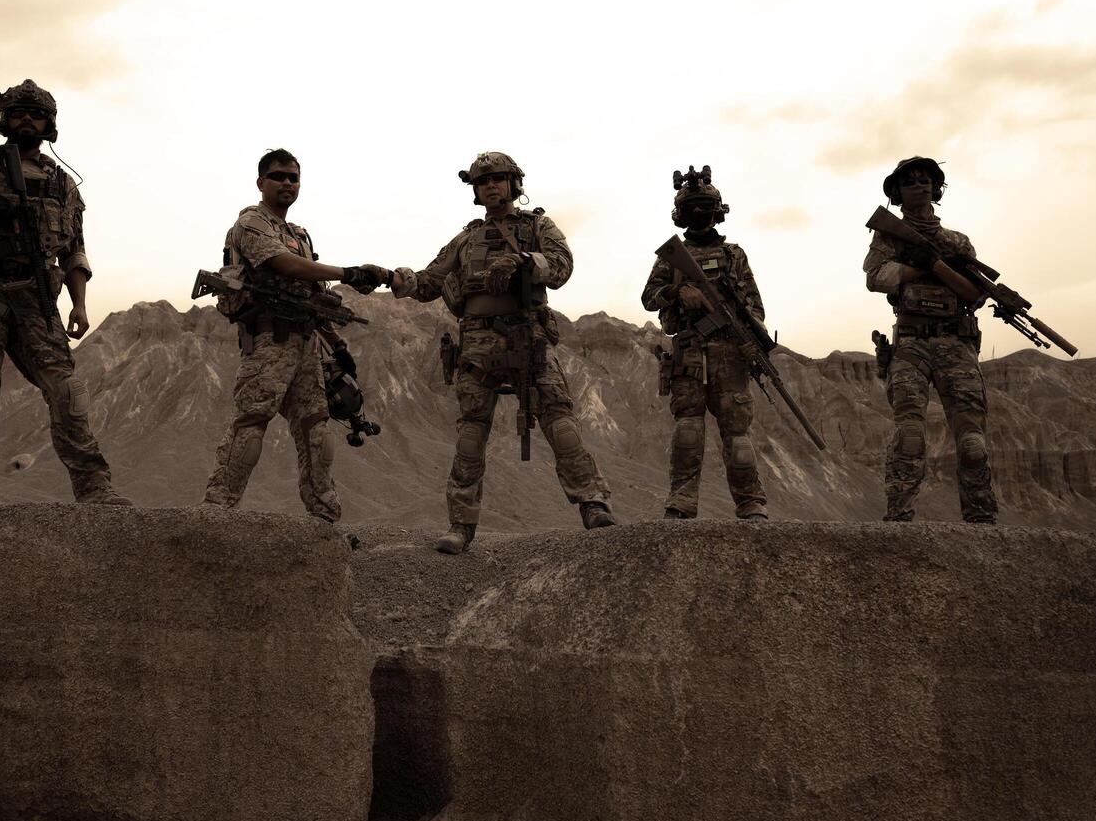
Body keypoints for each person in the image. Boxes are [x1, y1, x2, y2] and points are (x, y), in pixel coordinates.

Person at [0, 79, 131, 508]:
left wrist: (80, 305)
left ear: (50, 123)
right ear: (5, 119)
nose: (27, 119)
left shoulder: (62, 185)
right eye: (19, 112)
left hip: (37, 295)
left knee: (66, 390)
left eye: (36, 113)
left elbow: (74, 251)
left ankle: (94, 487)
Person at [388, 152, 614, 554]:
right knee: (471, 434)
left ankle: (593, 505)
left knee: (561, 423)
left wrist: (524, 260)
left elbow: (562, 266)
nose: (490, 186)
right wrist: (394, 278)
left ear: (513, 184)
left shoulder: (538, 226)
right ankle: (460, 524)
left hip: (529, 337)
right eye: (482, 181)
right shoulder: (466, 239)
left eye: (497, 179)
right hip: (477, 343)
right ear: (475, 191)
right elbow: (428, 282)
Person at [201, 148, 390, 523]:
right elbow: (281, 264)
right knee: (252, 423)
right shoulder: (251, 224)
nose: (287, 183)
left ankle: (323, 516)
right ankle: (216, 511)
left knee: (316, 431)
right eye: (278, 176)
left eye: (293, 177)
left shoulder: (299, 235)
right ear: (261, 183)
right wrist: (347, 272)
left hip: (306, 344)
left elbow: (311, 296)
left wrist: (337, 344)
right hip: (269, 341)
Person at [862, 156, 997, 523]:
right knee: (909, 434)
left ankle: (982, 520)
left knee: (972, 442)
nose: (920, 186)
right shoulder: (890, 235)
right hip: (911, 344)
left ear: (936, 189)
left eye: (926, 181)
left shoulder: (957, 243)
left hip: (956, 344)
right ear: (898, 194)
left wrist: (937, 264)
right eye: (911, 182)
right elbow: (876, 277)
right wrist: (919, 265)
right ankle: (900, 518)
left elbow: (974, 295)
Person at [641, 166, 770, 521]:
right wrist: (679, 291)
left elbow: (756, 307)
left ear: (717, 210)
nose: (699, 213)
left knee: (738, 435)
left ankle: (750, 502)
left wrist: (750, 338)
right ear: (680, 214)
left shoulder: (734, 256)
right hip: (690, 351)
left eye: (704, 205)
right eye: (692, 206)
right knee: (688, 429)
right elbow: (649, 297)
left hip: (731, 352)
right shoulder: (671, 257)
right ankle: (681, 501)